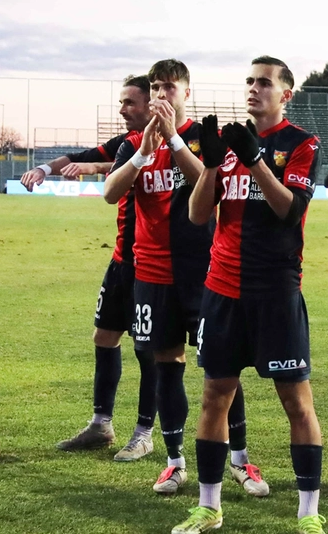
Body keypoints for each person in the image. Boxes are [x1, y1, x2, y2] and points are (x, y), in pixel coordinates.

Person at [172, 57, 325, 534]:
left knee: (296, 402)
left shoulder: (301, 144)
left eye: (265, 83)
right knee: (215, 395)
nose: (254, 89)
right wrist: (214, 166)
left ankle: (308, 514)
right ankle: (209, 507)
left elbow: (288, 209)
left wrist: (256, 158)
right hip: (222, 289)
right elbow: (199, 216)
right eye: (250, 81)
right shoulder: (227, 145)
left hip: (274, 290)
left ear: (286, 95)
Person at [102, 61, 268, 498]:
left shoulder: (203, 138)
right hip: (152, 275)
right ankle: (174, 463)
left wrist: (174, 140)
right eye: (154, 86)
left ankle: (240, 459)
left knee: (221, 369)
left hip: (204, 274)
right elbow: (110, 193)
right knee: (166, 365)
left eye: (168, 87)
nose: (160, 94)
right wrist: (142, 153)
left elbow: (208, 190)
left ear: (186, 93)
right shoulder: (135, 142)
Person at [23, 76, 159, 461]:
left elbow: (110, 167)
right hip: (120, 259)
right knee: (104, 337)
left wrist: (95, 168)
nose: (122, 109)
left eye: (130, 102)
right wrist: (44, 169)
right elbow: (80, 157)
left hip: (153, 265)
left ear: (154, 103)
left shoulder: (172, 145)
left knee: (149, 350)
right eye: (121, 102)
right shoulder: (127, 142)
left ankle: (144, 432)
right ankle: (101, 425)